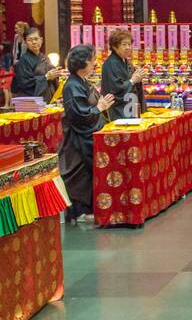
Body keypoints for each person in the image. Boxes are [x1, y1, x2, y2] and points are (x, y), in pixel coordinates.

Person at [59, 44, 114, 224]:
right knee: (80, 175)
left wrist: (100, 108)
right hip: (78, 139)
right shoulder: (72, 86)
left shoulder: (81, 82)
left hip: (88, 134)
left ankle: (90, 208)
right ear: (82, 63)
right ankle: (79, 212)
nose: (95, 64)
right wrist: (98, 108)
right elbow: (79, 115)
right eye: (92, 60)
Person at [101, 28, 148, 121]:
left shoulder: (127, 62)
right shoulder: (111, 64)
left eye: (129, 44)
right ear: (114, 47)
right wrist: (132, 81)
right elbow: (115, 89)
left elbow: (134, 83)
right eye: (124, 44)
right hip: (119, 110)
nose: (128, 47)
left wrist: (138, 78)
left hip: (131, 106)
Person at [11, 27, 62, 100]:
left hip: (47, 99)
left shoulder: (44, 58)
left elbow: (52, 78)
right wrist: (46, 77)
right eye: (30, 40)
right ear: (25, 42)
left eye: (36, 39)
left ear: (41, 40)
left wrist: (56, 73)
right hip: (31, 102)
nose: (34, 42)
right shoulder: (23, 61)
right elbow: (25, 84)